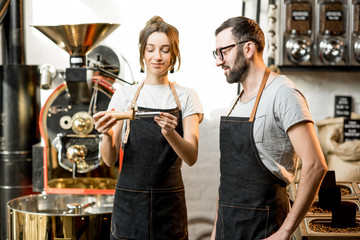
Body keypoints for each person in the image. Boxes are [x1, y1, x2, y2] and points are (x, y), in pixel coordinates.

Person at [210, 16, 327, 240]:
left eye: (223, 52)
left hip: (264, 228)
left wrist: (284, 232)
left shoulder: (282, 93)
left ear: (248, 48)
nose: (218, 61)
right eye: (217, 54)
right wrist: (216, 230)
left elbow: (315, 165)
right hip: (228, 229)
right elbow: (228, 180)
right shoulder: (238, 102)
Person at [93, 16, 203, 240]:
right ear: (143, 52)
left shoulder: (186, 96)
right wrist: (105, 135)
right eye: (151, 49)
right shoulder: (124, 95)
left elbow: (191, 156)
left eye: (165, 50)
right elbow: (109, 159)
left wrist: (171, 134)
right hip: (129, 204)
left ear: (174, 54)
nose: (157, 56)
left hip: (169, 205)